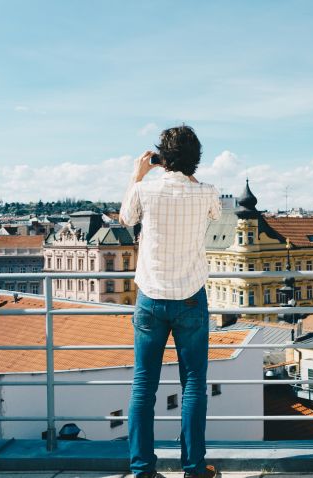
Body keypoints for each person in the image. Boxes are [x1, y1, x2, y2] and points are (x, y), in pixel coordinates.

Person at [120, 125, 222, 478]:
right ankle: (194, 467)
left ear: (163, 158)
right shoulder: (208, 192)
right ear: (195, 159)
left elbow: (125, 218)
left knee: (143, 385)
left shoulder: (145, 190)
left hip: (150, 298)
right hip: (191, 297)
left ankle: (142, 469)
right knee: (193, 384)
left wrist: (138, 174)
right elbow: (215, 216)